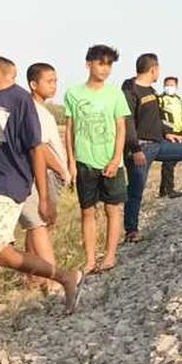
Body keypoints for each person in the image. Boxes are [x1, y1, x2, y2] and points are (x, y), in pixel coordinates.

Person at [0, 35, 83, 346]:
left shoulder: (19, 101)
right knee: (0, 253)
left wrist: (45, 199)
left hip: (8, 185)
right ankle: (67, 277)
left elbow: (37, 151)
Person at [122, 54, 182, 241]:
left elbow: (154, 120)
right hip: (140, 148)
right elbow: (127, 122)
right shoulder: (131, 90)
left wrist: (166, 133)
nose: (158, 73)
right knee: (136, 190)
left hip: (158, 144)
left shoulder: (152, 92)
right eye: (158, 69)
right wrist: (135, 148)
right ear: (153, 69)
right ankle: (131, 230)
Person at [64, 44, 130, 273]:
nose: (105, 69)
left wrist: (115, 158)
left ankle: (110, 255)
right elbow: (70, 130)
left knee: (112, 209)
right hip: (84, 162)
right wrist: (71, 162)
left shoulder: (115, 93)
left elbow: (121, 127)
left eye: (109, 64)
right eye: (101, 63)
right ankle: (90, 259)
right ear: (88, 64)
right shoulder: (73, 94)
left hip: (110, 161)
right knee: (87, 211)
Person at [21, 62, 70, 292]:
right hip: (41, 174)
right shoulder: (32, 111)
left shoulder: (44, 111)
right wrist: (61, 169)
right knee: (40, 223)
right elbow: (39, 148)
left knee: (40, 224)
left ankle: (32, 275)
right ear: (33, 84)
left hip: (49, 174)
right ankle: (48, 278)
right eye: (49, 81)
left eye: (56, 81)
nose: (54, 85)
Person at [158, 76, 182, 199]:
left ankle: (163, 189)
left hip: (178, 132)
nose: (169, 87)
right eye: (167, 85)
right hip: (168, 132)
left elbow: (180, 116)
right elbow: (158, 117)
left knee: (175, 160)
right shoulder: (160, 99)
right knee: (168, 161)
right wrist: (165, 132)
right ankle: (168, 190)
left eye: (172, 85)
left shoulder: (178, 99)